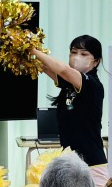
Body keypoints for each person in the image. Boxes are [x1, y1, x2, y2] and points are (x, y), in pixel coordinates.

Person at [32, 35, 107, 167]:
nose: (77, 57)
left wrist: (32, 50)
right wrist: (23, 51)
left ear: (96, 61)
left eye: (84, 54)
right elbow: (44, 66)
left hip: (91, 163)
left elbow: (63, 70)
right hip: (71, 162)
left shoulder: (92, 84)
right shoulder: (69, 83)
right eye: (73, 52)